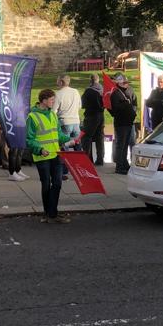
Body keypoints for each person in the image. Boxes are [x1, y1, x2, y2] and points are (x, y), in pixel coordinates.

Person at [26, 88, 77, 224]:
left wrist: (68, 140)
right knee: (46, 184)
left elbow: (58, 134)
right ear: (43, 100)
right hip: (42, 156)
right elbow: (29, 139)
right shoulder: (32, 117)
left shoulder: (53, 115)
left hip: (56, 154)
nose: (54, 102)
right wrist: (39, 149)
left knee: (58, 183)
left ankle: (51, 213)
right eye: (51, 100)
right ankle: (49, 214)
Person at [109, 73, 137, 174]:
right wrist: (125, 105)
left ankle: (124, 164)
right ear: (119, 83)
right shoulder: (116, 94)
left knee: (125, 145)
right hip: (121, 123)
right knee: (121, 145)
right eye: (124, 83)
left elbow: (133, 103)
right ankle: (119, 166)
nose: (127, 85)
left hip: (127, 122)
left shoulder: (124, 92)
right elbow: (114, 109)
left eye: (127, 83)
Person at [79, 74, 106, 166]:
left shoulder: (89, 91)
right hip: (101, 115)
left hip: (91, 115)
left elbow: (82, 104)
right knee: (99, 138)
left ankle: (87, 160)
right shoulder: (103, 89)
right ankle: (100, 159)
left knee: (87, 137)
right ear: (98, 80)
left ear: (90, 80)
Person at [53, 74, 82, 143]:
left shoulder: (58, 94)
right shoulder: (76, 91)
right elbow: (79, 106)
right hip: (76, 122)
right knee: (77, 146)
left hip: (64, 122)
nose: (56, 82)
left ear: (61, 82)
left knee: (65, 146)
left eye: (57, 80)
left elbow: (53, 111)